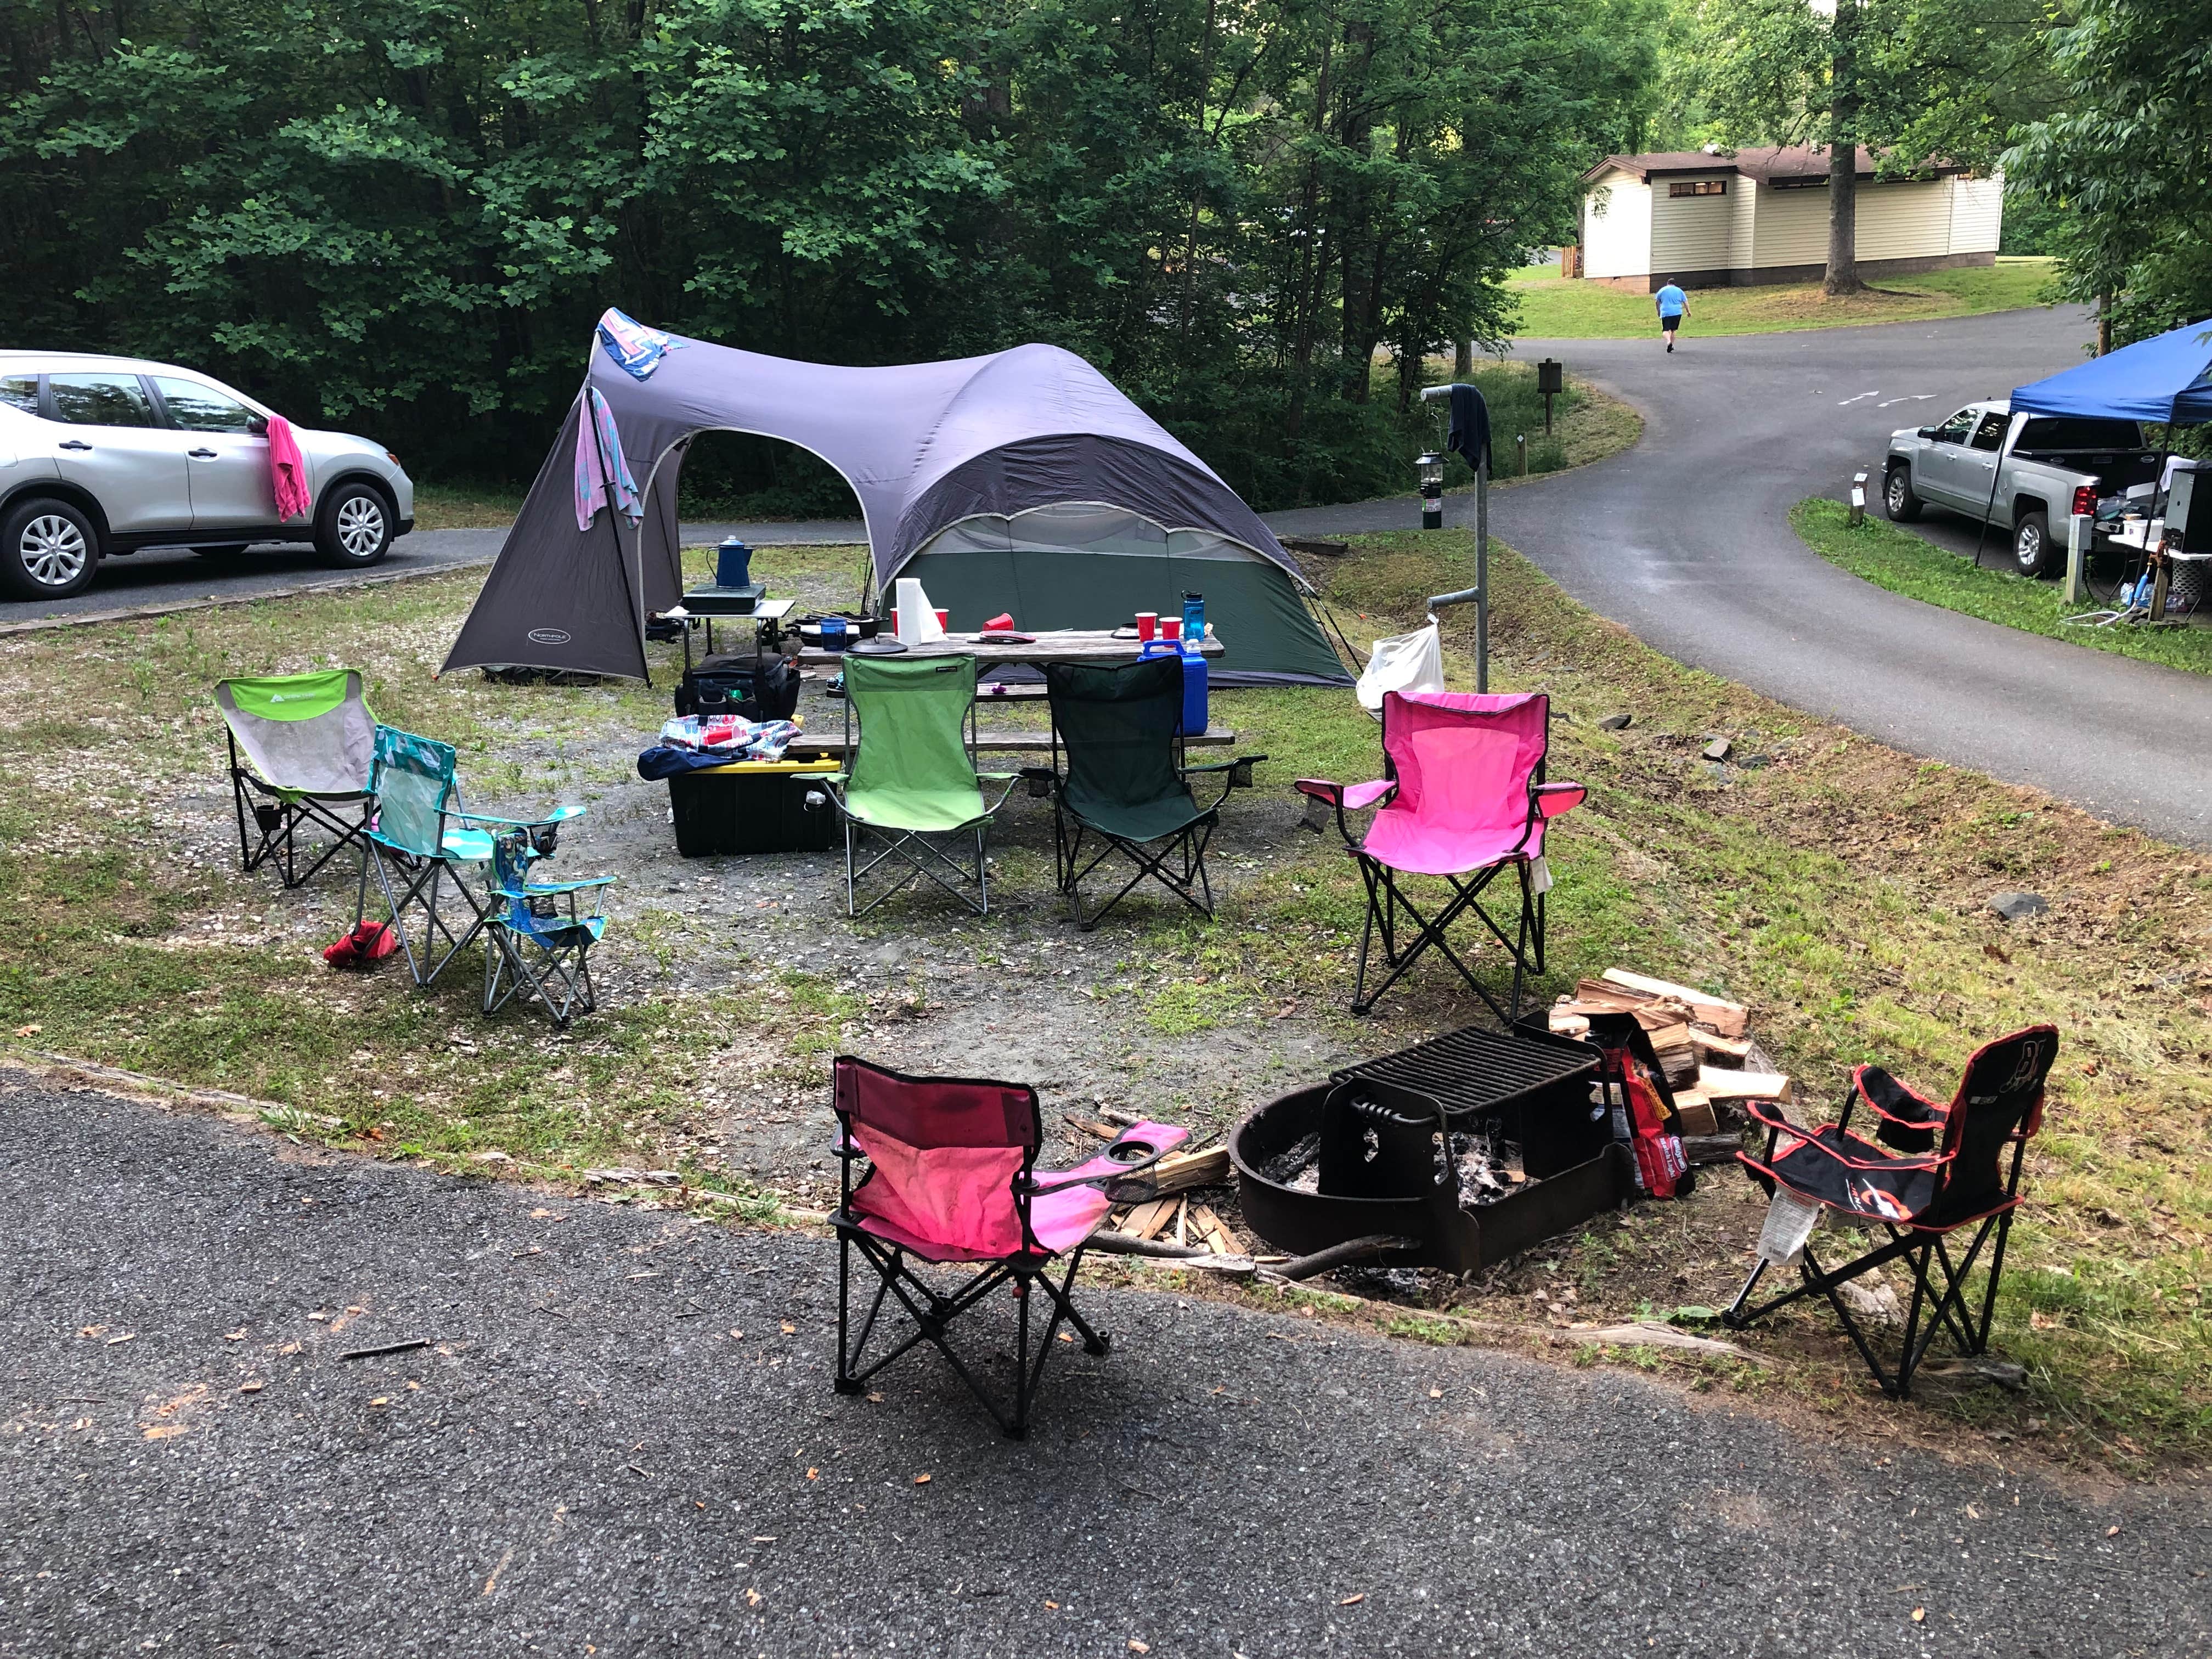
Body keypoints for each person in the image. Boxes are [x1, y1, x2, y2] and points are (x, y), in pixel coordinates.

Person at [1655, 280, 1689, 352]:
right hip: (1677, 312)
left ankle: (1669, 342)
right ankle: (1672, 345)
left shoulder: (1662, 290)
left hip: (1666, 312)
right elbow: (1685, 302)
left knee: (1665, 330)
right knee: (1673, 330)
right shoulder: (1679, 291)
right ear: (1675, 284)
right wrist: (1688, 311)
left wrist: (1659, 312)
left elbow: (1657, 302)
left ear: (1668, 284)